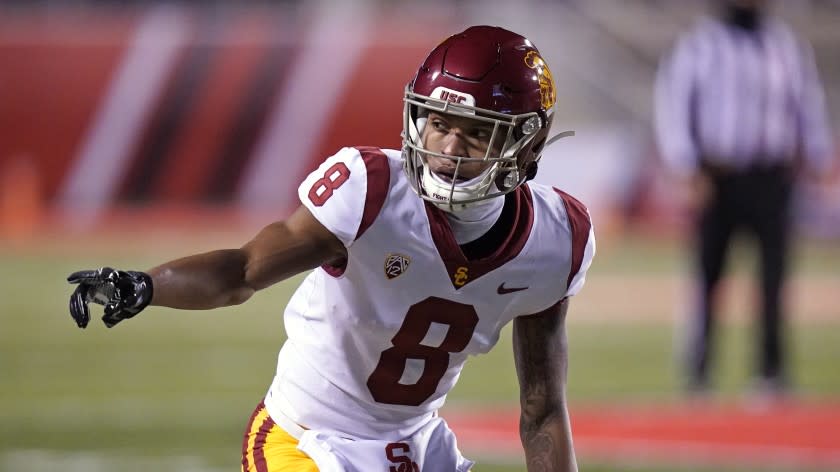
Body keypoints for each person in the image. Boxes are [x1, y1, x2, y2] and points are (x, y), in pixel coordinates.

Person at [66, 25, 595, 471]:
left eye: (476, 133)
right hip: (304, 439)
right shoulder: (370, 190)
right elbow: (242, 270)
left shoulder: (555, 239)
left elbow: (542, 408)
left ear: (525, 144)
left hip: (417, 447)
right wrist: (143, 285)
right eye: (437, 124)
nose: (447, 151)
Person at [655, 0, 834, 396]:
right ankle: (698, 373)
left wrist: (818, 155)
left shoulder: (786, 45)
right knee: (708, 278)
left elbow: (806, 104)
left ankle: (771, 373)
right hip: (719, 177)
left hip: (773, 176)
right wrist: (686, 167)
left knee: (774, 278)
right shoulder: (701, 45)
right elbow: (674, 106)